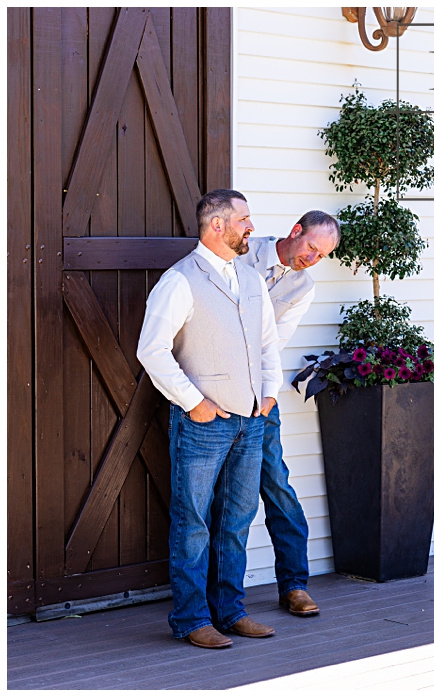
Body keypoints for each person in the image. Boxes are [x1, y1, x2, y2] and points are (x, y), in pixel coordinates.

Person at [138, 189, 281, 649]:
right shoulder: (180, 280)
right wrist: (192, 401)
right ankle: (192, 619)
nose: (251, 227)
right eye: (244, 219)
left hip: (250, 420)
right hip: (203, 424)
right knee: (193, 522)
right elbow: (151, 349)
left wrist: (270, 392)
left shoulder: (252, 277)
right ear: (216, 225)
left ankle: (230, 612)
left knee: (236, 521)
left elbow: (267, 343)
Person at [243, 210, 341, 618]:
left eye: (322, 256)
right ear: (295, 232)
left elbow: (274, 344)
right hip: (212, 392)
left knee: (277, 485)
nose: (312, 259)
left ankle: (294, 585)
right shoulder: (242, 254)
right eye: (311, 248)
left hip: (259, 393)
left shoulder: (303, 286)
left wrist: (262, 396)